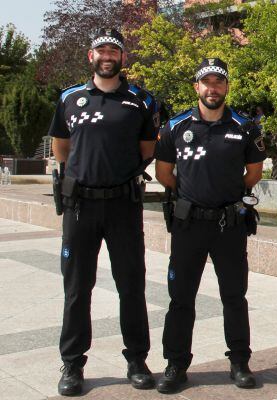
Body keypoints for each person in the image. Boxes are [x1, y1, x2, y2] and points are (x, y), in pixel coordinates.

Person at [48, 28, 158, 396]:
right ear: (90, 56)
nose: (107, 55)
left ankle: (137, 360)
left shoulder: (141, 101)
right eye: (101, 50)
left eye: (114, 50)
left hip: (123, 206)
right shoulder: (69, 98)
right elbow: (61, 146)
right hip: (80, 206)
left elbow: (147, 150)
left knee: (132, 284)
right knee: (77, 287)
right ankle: (73, 363)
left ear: (123, 58)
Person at [153, 58, 266, 393]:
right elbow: (163, 173)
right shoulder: (175, 126)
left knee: (234, 296)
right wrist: (191, 195)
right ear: (196, 87)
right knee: (181, 297)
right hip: (189, 224)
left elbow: (254, 172)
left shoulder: (245, 127)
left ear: (226, 87)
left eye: (219, 82)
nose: (212, 88)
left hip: (229, 224)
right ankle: (175, 364)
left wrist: (227, 197)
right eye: (207, 82)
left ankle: (240, 362)